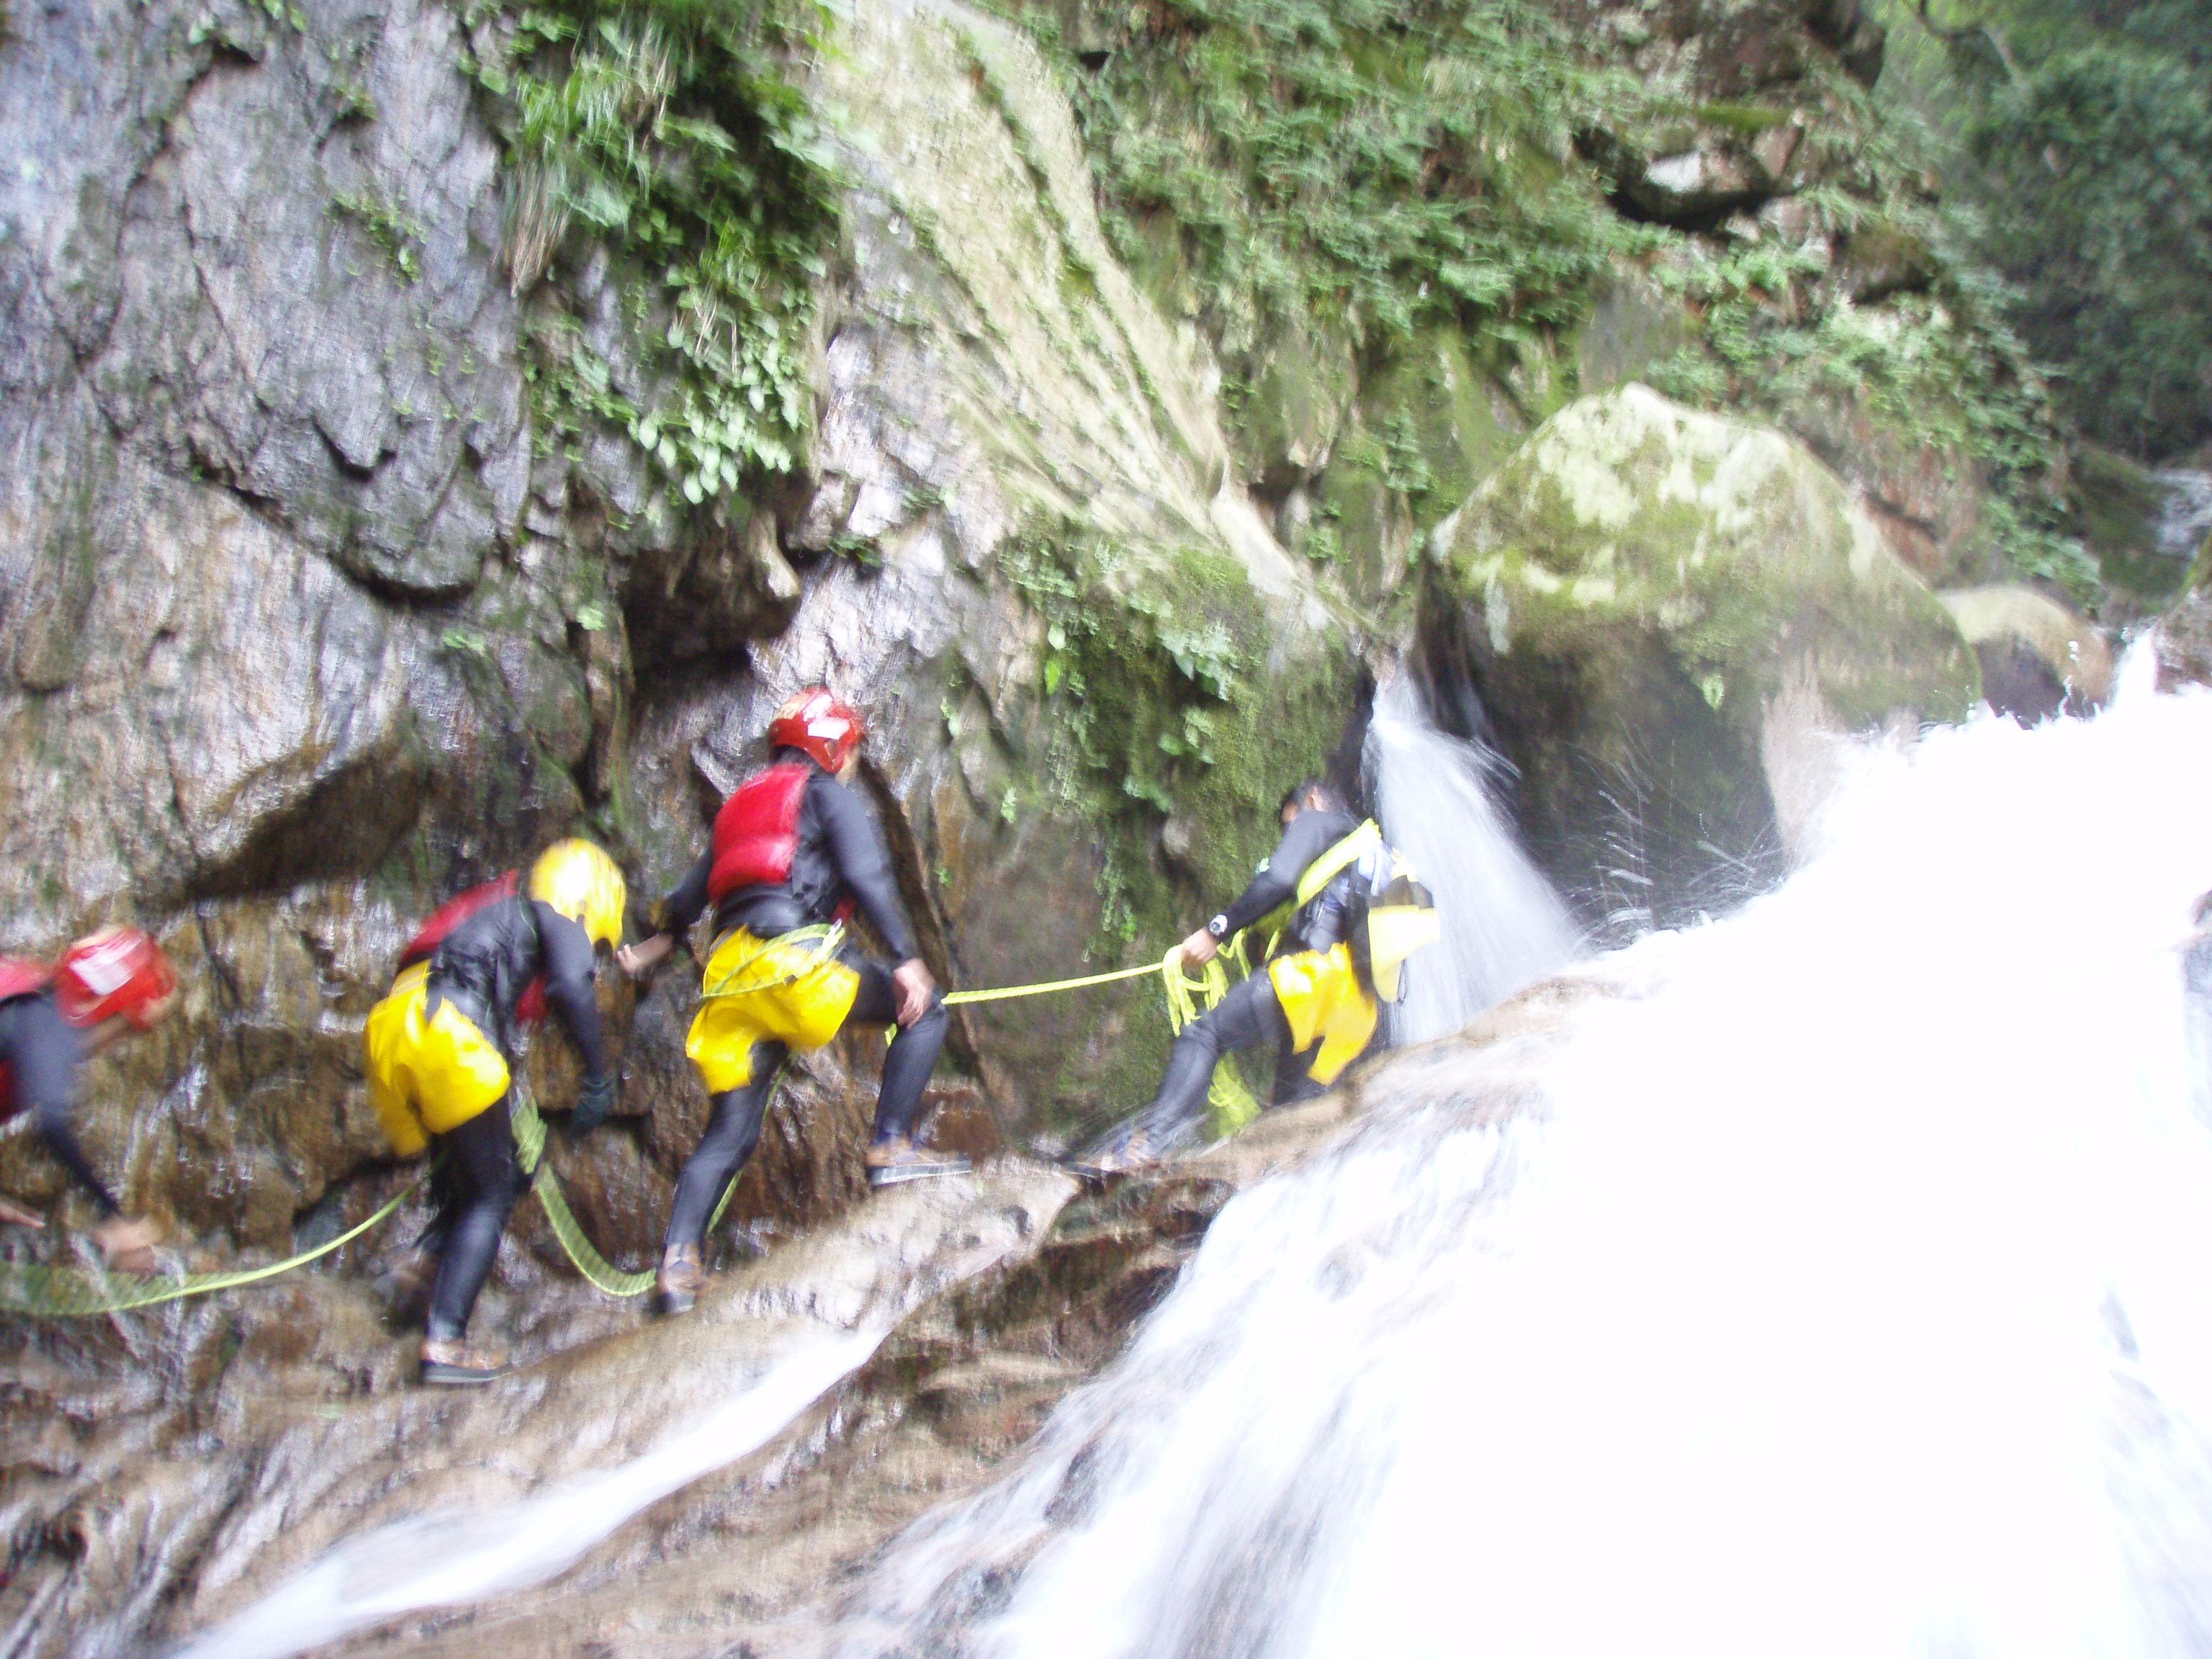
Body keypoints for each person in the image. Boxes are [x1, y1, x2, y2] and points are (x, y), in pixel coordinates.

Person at [619, 686, 964, 1316]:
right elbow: (868, 876)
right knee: (926, 1011)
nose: (853, 762)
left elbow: (687, 899)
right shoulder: (829, 795)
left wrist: (652, 947)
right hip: (795, 971)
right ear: (831, 746)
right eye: (851, 750)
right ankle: (890, 1145)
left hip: (729, 988)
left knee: (728, 1133)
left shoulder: (735, 812)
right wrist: (909, 962)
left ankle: (678, 1267)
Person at [364, 840, 626, 1385]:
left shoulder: (497, 918)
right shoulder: (556, 917)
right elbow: (571, 985)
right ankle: (446, 1344)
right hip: (448, 1029)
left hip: (394, 1029)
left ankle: (419, 1268)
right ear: (587, 902)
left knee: (473, 1177)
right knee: (493, 1194)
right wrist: (598, 1077)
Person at [1094, 781, 1434, 1172]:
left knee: (1205, 1034)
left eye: (1289, 825)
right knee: (1290, 1122)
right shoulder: (1371, 853)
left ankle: (1145, 1146)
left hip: (1315, 980)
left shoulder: (1319, 821)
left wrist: (1214, 932)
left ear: (1311, 800)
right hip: (1355, 1013)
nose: (1290, 835)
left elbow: (1279, 880)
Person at [0, 927, 177, 1272]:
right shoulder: (47, 1031)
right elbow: (52, 1125)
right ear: (112, 1015)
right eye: (130, 1030)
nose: (117, 1045)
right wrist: (117, 1221)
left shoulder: (29, 990)